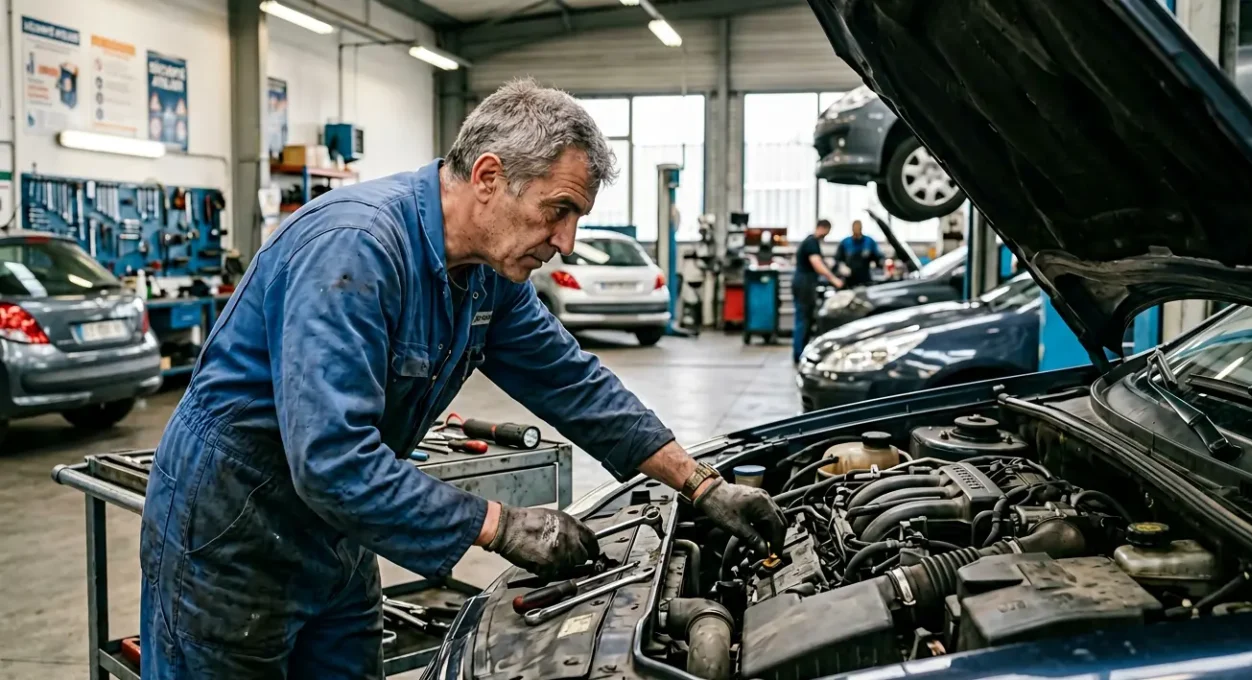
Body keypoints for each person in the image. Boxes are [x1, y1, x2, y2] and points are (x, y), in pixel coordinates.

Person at [137, 79, 787, 679]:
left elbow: (571, 381)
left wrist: (701, 484)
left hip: (337, 534)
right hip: (231, 532)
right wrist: (502, 526)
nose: (566, 240)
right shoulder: (355, 249)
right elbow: (332, 458)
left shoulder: (485, 274)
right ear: (487, 176)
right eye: (557, 210)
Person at [792, 219, 845, 363]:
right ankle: (799, 354)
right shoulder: (812, 242)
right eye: (827, 232)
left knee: (805, 319)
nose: (826, 236)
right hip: (804, 284)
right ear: (823, 228)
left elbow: (820, 261)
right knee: (803, 319)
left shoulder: (810, 242)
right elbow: (817, 264)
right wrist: (834, 279)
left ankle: (800, 352)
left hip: (804, 282)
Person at [833, 219, 884, 288]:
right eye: (855, 228)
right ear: (852, 229)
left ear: (861, 228)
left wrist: (878, 264)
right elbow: (837, 259)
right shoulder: (845, 242)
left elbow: (879, 257)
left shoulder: (869, 241)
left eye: (858, 228)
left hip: (865, 277)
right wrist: (842, 267)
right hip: (849, 277)